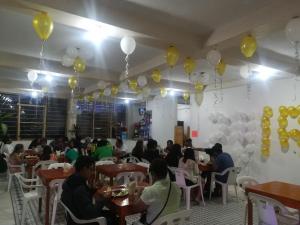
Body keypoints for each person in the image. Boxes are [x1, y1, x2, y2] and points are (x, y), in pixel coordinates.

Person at [61, 156, 117, 225]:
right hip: (84, 221)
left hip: (74, 218)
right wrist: (103, 200)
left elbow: (81, 200)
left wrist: (92, 189)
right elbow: (91, 214)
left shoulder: (71, 180)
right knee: (113, 217)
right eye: (91, 169)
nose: (93, 173)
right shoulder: (79, 188)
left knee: (111, 214)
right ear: (84, 169)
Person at [133, 159, 181, 224]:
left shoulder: (150, 191)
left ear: (152, 174)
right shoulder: (176, 187)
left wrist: (138, 192)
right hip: (172, 222)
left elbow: (136, 208)